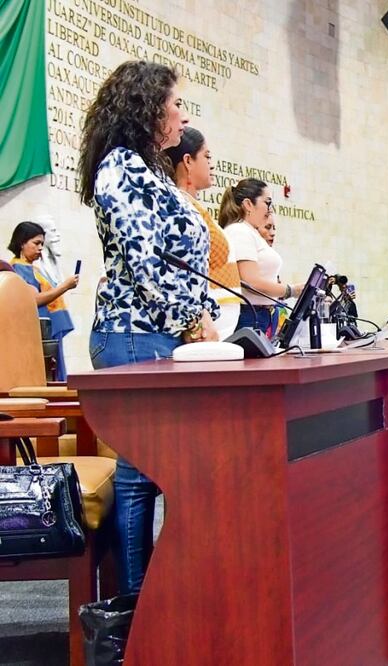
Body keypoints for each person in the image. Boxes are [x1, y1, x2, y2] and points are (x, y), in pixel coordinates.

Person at [78, 60, 220, 594]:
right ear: (148, 107)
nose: (184, 114)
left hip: (157, 332)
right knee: (140, 476)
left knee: (153, 473)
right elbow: (145, 264)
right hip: (132, 332)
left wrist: (196, 315)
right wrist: (194, 319)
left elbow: (174, 265)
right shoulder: (120, 167)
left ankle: (153, 596)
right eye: (177, 103)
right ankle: (136, 609)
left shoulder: (145, 168)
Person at [164, 127, 242, 339]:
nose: (212, 164)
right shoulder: (179, 206)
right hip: (202, 328)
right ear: (188, 161)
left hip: (215, 325)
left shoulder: (194, 206)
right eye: (207, 156)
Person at [219, 178, 302, 333]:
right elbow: (251, 282)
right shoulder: (239, 231)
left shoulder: (251, 233)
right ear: (248, 204)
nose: (270, 210)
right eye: (267, 203)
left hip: (262, 314)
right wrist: (291, 290)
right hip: (250, 316)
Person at [7, 221, 79, 380]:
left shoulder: (33, 268)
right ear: (21, 243)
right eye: (36, 243)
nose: (40, 248)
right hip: (41, 331)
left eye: (42, 244)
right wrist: (65, 286)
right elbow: (33, 299)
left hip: (49, 330)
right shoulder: (19, 268)